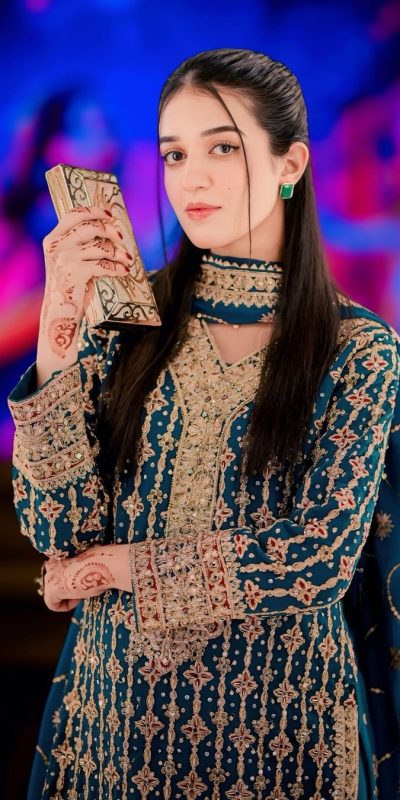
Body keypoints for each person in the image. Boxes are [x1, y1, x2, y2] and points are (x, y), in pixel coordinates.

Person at [7, 48, 400, 800]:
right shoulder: (127, 325)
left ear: (290, 164)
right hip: (115, 729)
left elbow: (315, 559)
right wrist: (59, 326)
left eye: (222, 148)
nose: (192, 178)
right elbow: (60, 530)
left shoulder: (359, 349)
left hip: (284, 735)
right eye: (174, 154)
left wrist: (116, 569)